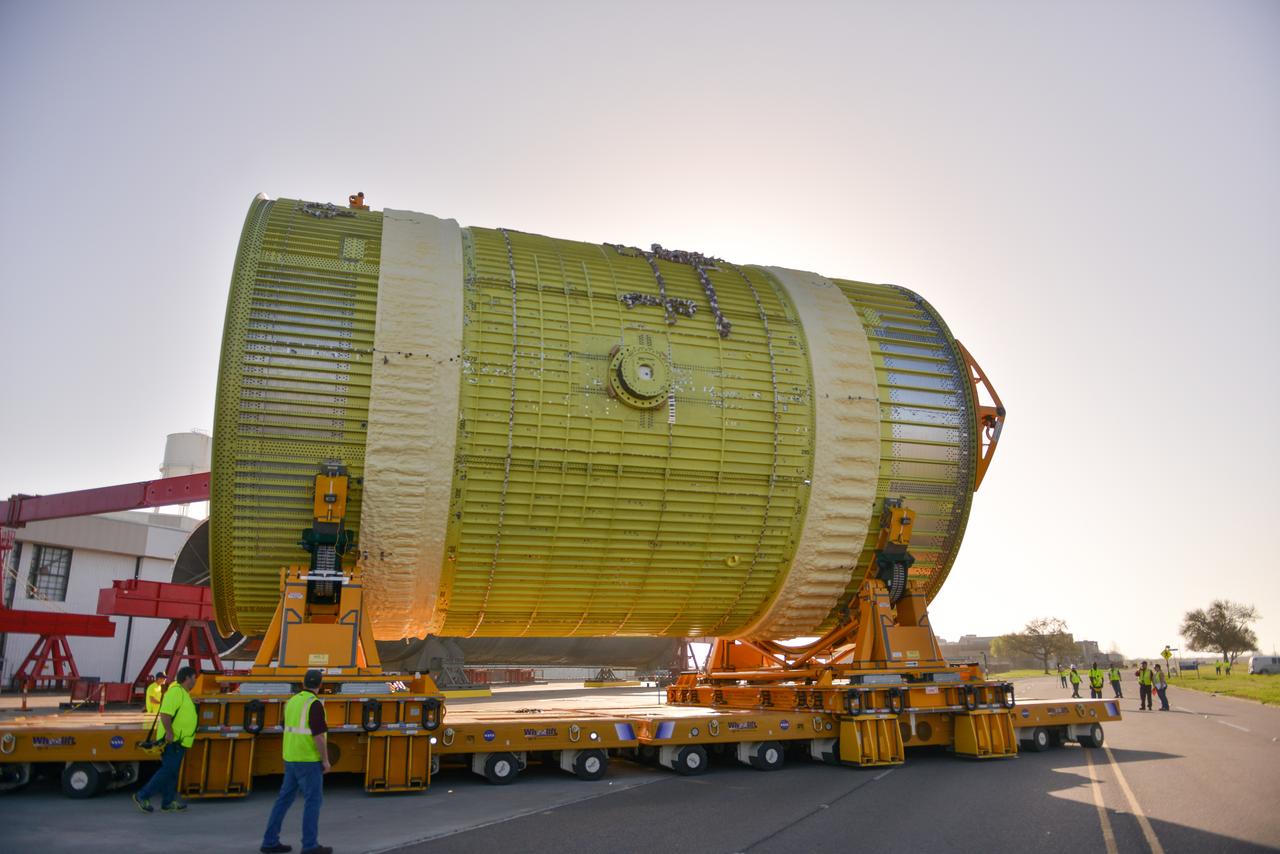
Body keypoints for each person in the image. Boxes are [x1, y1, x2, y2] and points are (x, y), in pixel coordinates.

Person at [261, 669, 331, 854]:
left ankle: (269, 841)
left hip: (290, 758)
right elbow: (318, 736)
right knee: (313, 802)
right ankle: (310, 845)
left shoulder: (292, 701)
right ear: (320, 685)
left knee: (283, 800)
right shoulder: (314, 704)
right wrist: (325, 760)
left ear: (303, 683)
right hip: (308, 759)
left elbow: (285, 726)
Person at [133, 666, 197, 813]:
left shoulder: (183, 693)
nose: (195, 681)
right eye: (194, 678)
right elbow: (165, 714)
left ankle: (168, 802)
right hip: (173, 740)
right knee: (168, 770)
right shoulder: (175, 692)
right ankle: (142, 795)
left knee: (172, 771)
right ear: (187, 678)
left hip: (180, 740)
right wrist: (169, 732)